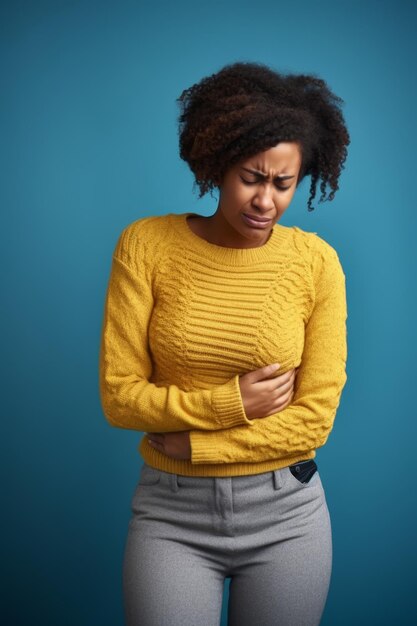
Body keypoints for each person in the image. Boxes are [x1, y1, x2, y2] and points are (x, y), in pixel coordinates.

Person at [99, 60, 350, 626]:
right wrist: (231, 402)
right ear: (216, 166)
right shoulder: (146, 246)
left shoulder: (316, 265)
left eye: (284, 184)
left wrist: (200, 447)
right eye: (251, 178)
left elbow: (315, 418)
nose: (266, 201)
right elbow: (119, 395)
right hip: (171, 514)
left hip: (288, 514)